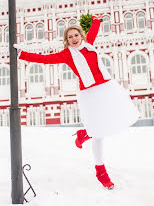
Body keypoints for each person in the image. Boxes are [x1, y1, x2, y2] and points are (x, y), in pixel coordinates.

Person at [14, 15, 140, 189]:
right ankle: (101, 172)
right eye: (69, 37)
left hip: (106, 88)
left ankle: (84, 134)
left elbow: (94, 29)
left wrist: (96, 20)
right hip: (89, 93)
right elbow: (45, 59)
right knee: (99, 134)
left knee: (116, 117)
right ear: (66, 41)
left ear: (81, 36)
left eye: (76, 35)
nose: (74, 39)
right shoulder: (67, 55)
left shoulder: (89, 45)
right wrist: (22, 54)